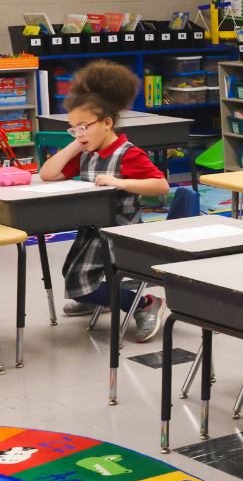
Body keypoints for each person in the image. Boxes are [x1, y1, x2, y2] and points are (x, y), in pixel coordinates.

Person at [42, 60, 170, 341]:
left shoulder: (128, 154)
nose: (78, 134)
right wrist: (77, 142)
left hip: (119, 232)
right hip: (94, 229)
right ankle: (94, 297)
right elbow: (47, 174)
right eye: (72, 128)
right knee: (70, 272)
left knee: (79, 282)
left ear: (107, 122)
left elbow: (161, 184)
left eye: (83, 127)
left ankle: (145, 304)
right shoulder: (87, 152)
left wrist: (122, 182)